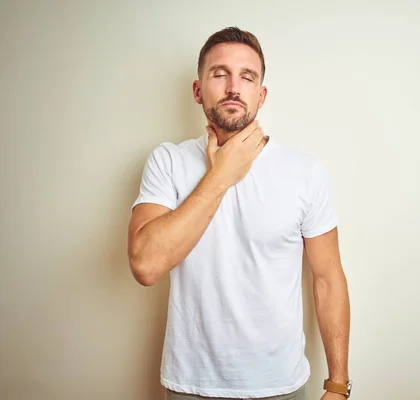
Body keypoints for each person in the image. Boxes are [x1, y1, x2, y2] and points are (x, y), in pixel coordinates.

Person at [127, 27, 352, 400]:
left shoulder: (304, 171)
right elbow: (145, 265)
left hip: (281, 386)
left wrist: (338, 385)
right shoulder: (168, 161)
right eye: (220, 74)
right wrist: (220, 177)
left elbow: (328, 278)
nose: (234, 87)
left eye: (247, 77)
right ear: (198, 90)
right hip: (190, 386)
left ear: (261, 95)